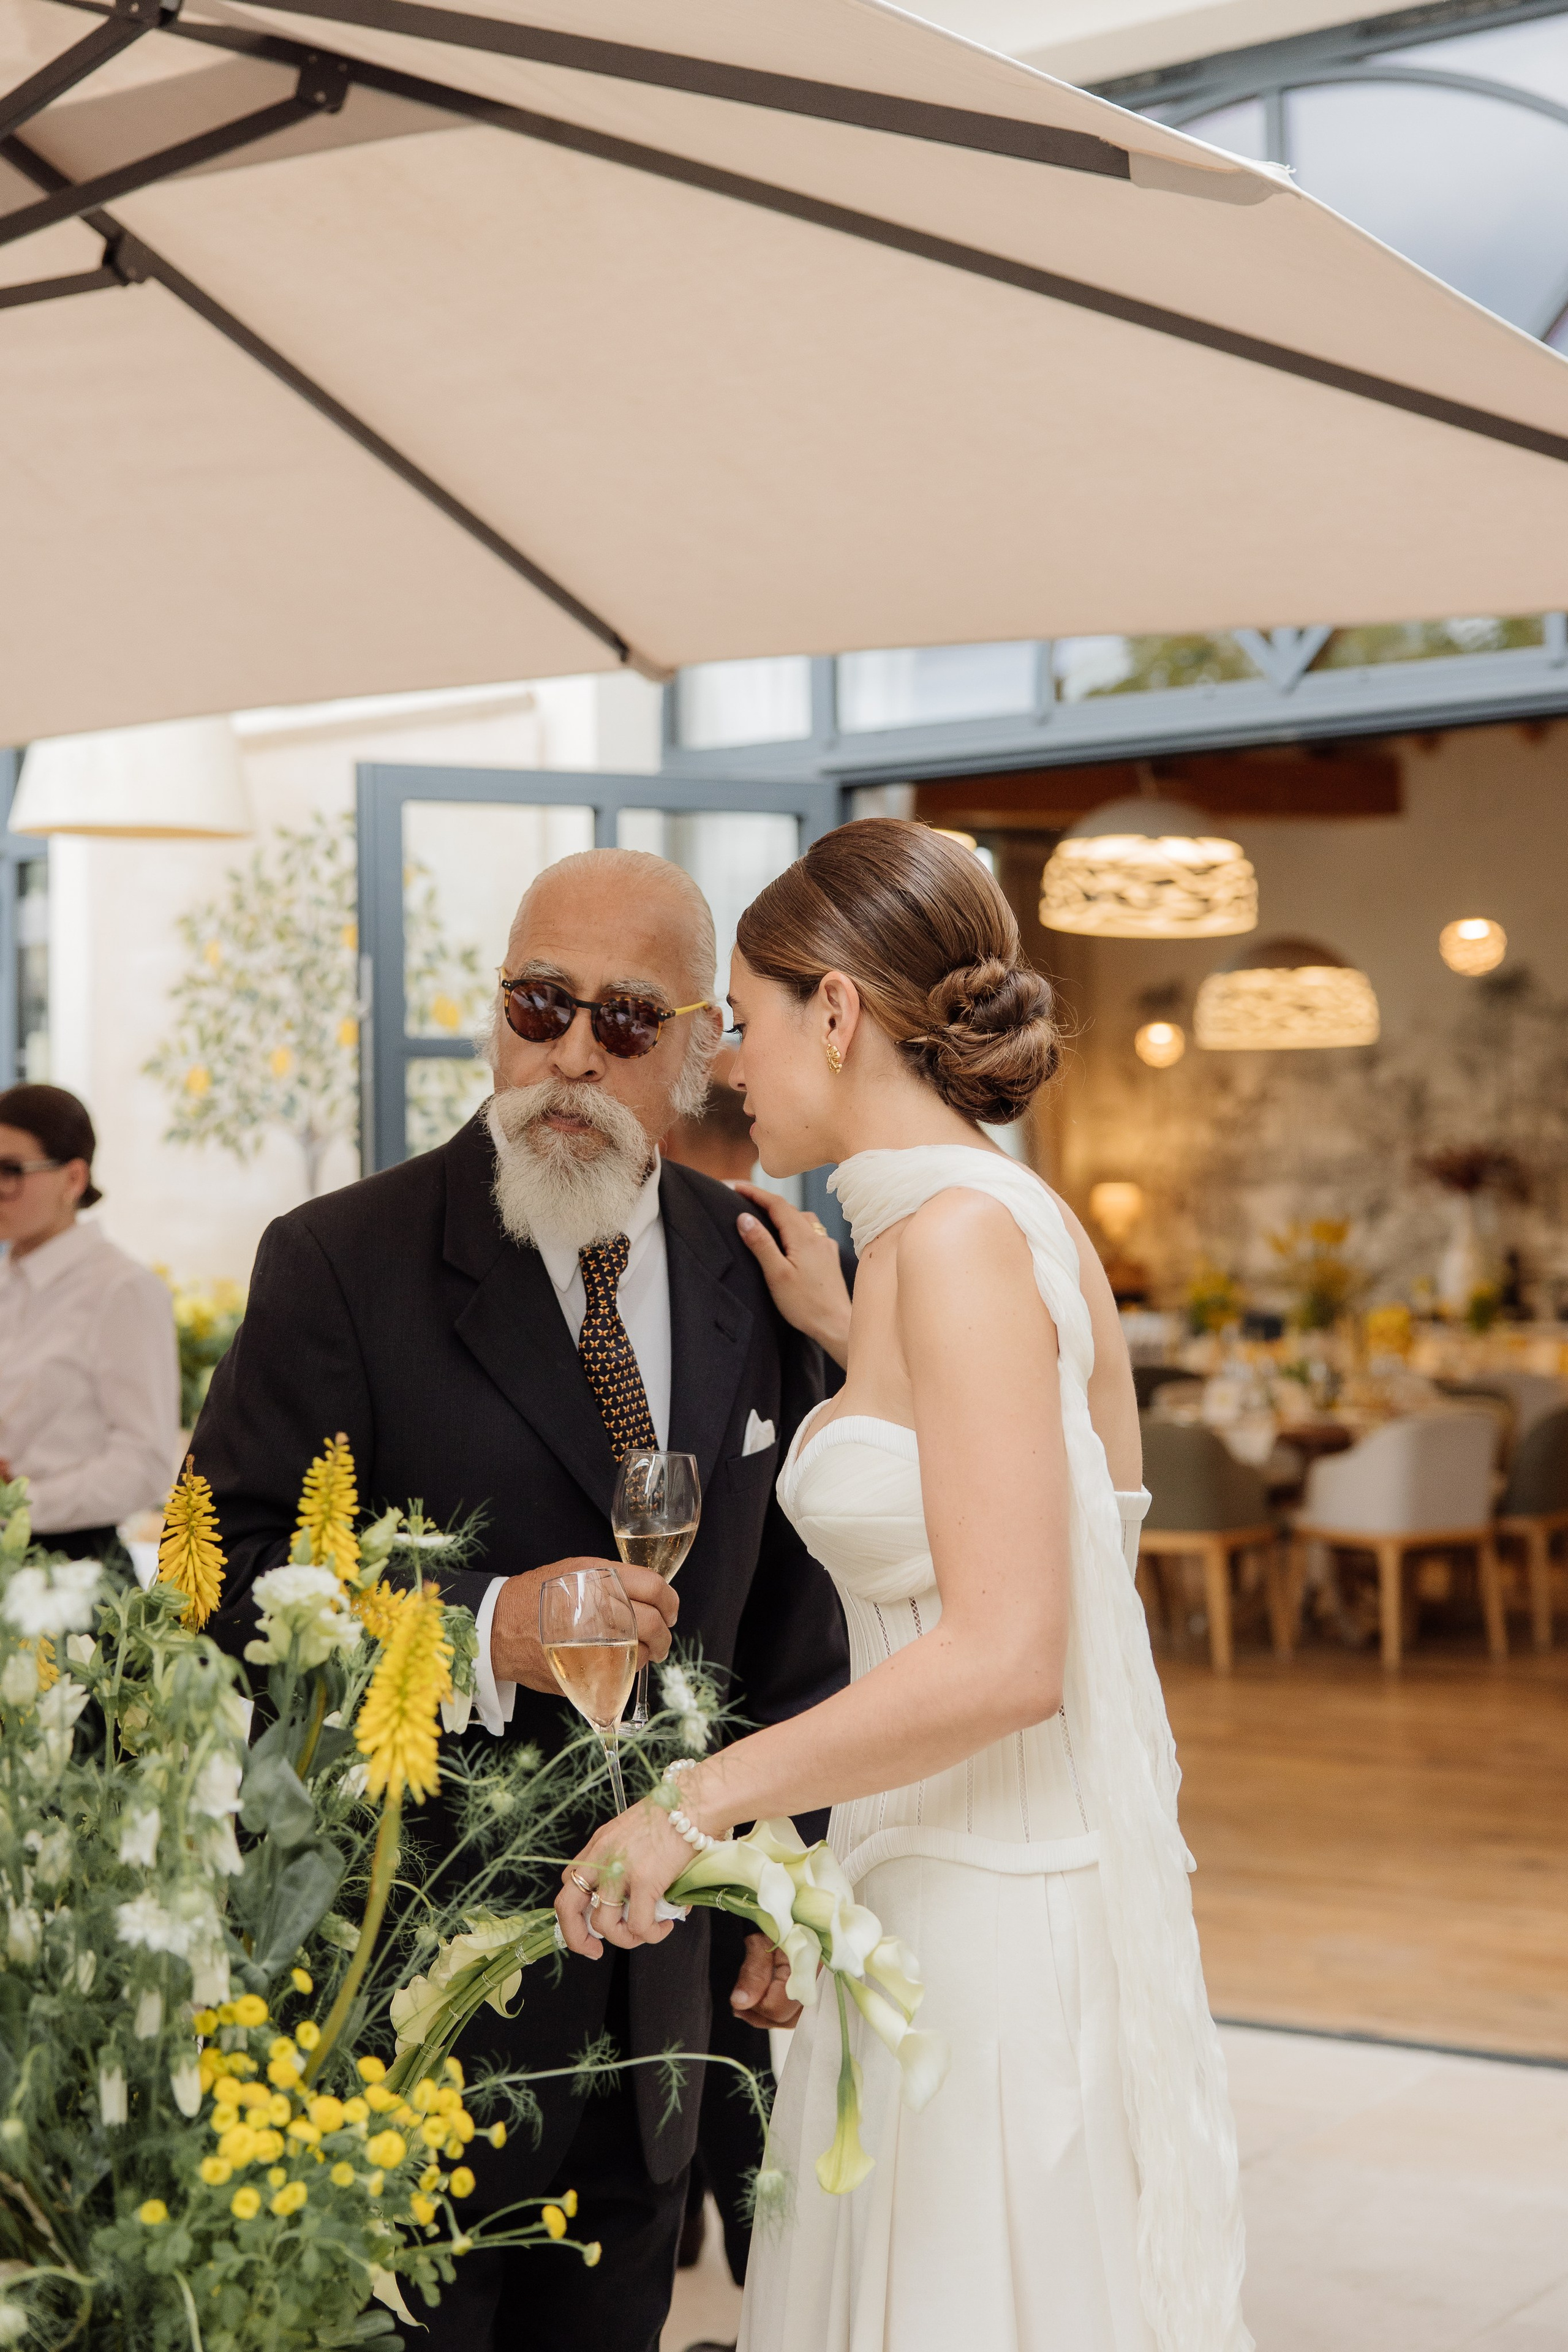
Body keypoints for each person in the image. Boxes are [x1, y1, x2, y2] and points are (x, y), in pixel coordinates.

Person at [556, 821, 1250, 2352]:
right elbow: (1099, 1530)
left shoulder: (954, 1252)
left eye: (740, 1015)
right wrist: (849, 1322)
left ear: (838, 1014)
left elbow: (1015, 1653)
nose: (728, 1064)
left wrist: (696, 1805)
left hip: (987, 1948)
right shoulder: (1000, 1234)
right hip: (934, 1902)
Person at [193, 848, 849, 2352]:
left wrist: (786, 1870)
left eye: (621, 1020)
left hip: (659, 2016)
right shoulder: (339, 1260)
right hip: (401, 1999)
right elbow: (218, 1569)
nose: (567, 1051)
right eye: (536, 1001)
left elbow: (794, 1627)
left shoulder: (758, 1270)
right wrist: (483, 1626)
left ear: (698, 1046)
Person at [0, 1082, 179, 1558]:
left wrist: (17, 1505)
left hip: (71, 1566)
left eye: (9, 1170)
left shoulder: (122, 1290)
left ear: (73, 1179)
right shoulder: (7, 1279)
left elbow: (146, 1463)